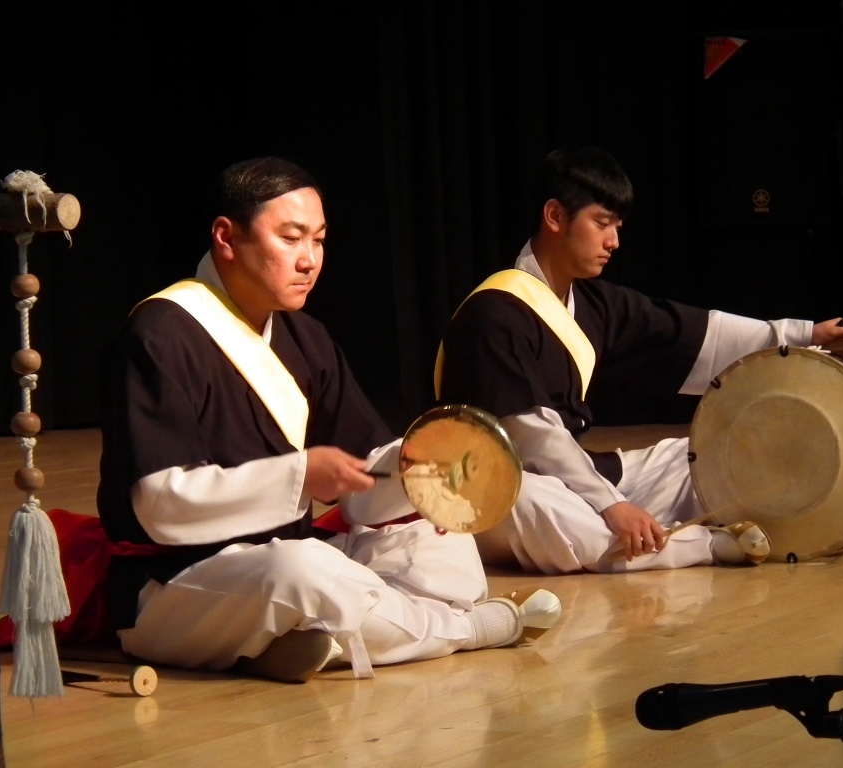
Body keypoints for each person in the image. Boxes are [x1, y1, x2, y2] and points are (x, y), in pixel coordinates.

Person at [96, 157, 561, 683]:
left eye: (318, 240)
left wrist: (422, 472)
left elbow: (363, 484)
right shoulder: (159, 335)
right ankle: (469, 630)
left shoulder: (304, 337)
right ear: (226, 237)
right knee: (302, 573)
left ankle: (295, 640)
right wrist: (299, 475)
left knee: (440, 544)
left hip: (283, 556)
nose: (309, 260)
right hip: (175, 581)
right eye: (291, 238)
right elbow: (159, 505)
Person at [435, 146, 843, 575]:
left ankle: (648, 534)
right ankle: (705, 545)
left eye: (617, 227)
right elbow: (532, 438)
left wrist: (804, 335)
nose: (614, 242)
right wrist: (612, 505)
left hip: (573, 477)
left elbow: (692, 334)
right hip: (493, 486)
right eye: (602, 224)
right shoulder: (494, 312)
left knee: (706, 452)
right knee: (541, 508)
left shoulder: (594, 303)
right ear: (554, 216)